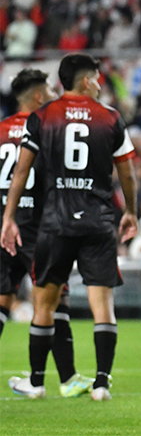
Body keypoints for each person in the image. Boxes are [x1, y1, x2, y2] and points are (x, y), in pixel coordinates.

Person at [1, 54, 138, 401]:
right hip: (97, 221)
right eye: (96, 78)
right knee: (102, 305)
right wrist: (131, 213)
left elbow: (21, 172)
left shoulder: (43, 116)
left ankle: (35, 382)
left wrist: (8, 217)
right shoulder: (110, 117)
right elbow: (127, 173)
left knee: (43, 305)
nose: (99, 83)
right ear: (85, 80)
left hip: (54, 222)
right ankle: (101, 384)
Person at [0, 68, 93, 398]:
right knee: (55, 298)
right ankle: (67, 379)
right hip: (36, 228)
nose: (56, 96)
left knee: (3, 299)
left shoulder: (0, 130)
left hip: (3, 225)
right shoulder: (48, 128)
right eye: (51, 91)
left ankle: (58, 378)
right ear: (39, 97)